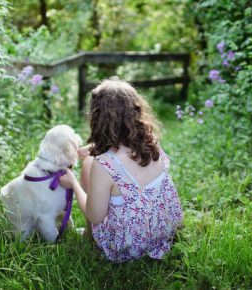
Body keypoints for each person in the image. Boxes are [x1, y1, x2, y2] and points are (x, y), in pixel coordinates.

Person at [59, 79, 183, 262]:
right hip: (164, 230)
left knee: (88, 164)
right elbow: (123, 150)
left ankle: (90, 235)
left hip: (128, 245)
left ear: (98, 118)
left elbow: (95, 216)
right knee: (92, 162)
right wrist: (94, 148)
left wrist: (74, 184)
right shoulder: (151, 142)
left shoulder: (103, 165)